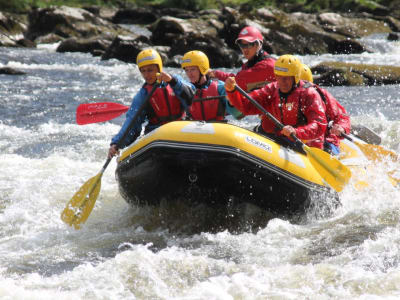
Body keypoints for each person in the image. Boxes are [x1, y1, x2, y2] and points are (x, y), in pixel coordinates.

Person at [224, 54, 328, 149]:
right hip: (283, 141)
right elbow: (246, 107)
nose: (282, 82)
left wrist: (296, 132)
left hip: (307, 145)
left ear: (295, 78)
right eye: (279, 76)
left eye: (286, 78)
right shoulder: (272, 89)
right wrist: (232, 91)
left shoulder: (309, 94)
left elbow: (319, 124)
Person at [108, 49, 192, 158]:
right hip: (157, 135)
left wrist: (173, 81)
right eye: (143, 71)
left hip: (179, 130)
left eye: (150, 70)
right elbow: (132, 123)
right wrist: (116, 143)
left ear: (159, 68)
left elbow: (190, 97)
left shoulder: (175, 82)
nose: (146, 75)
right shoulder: (142, 95)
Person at [174, 50, 243, 121]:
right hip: (193, 128)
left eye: (192, 69)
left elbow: (238, 115)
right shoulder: (185, 90)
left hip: (217, 127)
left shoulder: (220, 87)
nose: (189, 74)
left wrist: (231, 103)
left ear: (202, 69)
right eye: (187, 70)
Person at [300, 64, 351, 154]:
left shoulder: (321, 95)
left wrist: (341, 128)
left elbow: (342, 116)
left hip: (325, 141)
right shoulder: (279, 94)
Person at [208, 26, 276, 92]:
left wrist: (215, 74)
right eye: (242, 45)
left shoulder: (266, 65)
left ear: (258, 45)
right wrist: (213, 74)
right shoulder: (249, 64)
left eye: (249, 45)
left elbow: (237, 82)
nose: (245, 49)